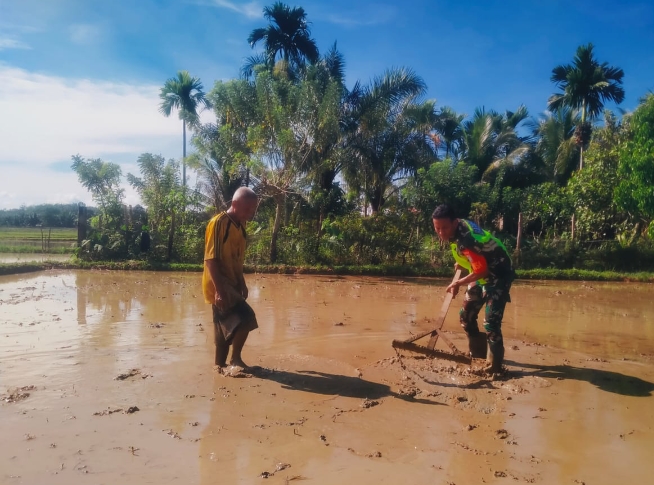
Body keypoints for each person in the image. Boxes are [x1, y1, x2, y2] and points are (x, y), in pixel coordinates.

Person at [431, 204, 515, 374]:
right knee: (466, 316)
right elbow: (473, 257)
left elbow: (482, 270)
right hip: (480, 271)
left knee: (491, 322)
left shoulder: (467, 239)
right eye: (437, 228)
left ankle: (495, 367)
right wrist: (462, 262)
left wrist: (457, 283)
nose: (441, 232)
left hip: (498, 274)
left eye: (444, 228)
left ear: (455, 223)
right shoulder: (458, 229)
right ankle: (478, 355)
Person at [203, 187, 259, 371]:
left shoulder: (241, 225)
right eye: (248, 208)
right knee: (246, 317)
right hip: (219, 282)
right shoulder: (219, 223)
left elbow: (237, 258)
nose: (251, 213)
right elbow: (210, 259)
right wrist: (219, 289)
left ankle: (219, 367)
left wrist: (242, 282)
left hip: (232, 283)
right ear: (235, 204)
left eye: (253, 209)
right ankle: (235, 360)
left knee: (222, 327)